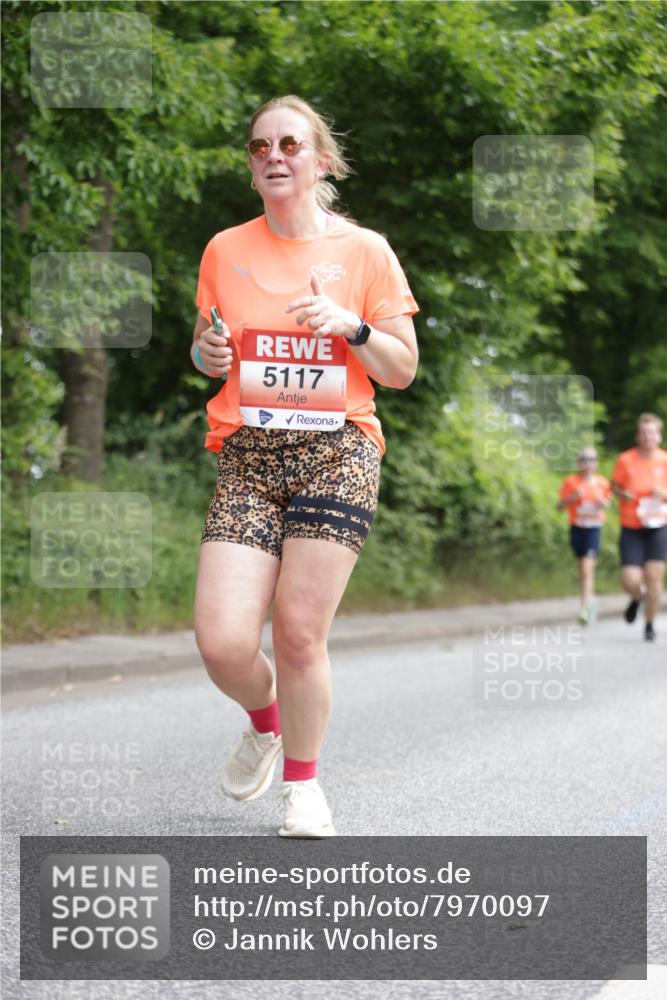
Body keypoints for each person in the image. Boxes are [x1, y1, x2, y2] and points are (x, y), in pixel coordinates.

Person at [190, 95, 419, 836]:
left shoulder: (364, 252)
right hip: (250, 456)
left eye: (290, 143)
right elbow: (203, 348)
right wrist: (208, 354)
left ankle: (303, 786)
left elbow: (402, 369)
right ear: (253, 168)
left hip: (337, 449)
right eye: (260, 148)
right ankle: (264, 724)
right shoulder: (226, 249)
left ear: (320, 159)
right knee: (223, 642)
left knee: (295, 630)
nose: (274, 156)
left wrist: (350, 327)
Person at [611, 413, 667, 641]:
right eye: (643, 433)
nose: (648, 437)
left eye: (652, 432)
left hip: (658, 526)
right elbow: (614, 487)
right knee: (630, 579)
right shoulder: (626, 460)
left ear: (659, 436)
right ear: (637, 436)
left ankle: (649, 624)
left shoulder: (665, 460)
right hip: (632, 526)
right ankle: (636, 597)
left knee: (654, 579)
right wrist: (622, 493)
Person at [557, 447, 611, 624]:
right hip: (577, 527)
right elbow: (559, 507)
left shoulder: (602, 483)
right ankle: (590, 600)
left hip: (594, 528)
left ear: (596, 463)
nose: (587, 463)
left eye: (591, 459)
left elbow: (608, 503)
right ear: (578, 463)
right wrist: (573, 497)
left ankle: (584, 608)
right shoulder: (571, 482)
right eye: (583, 460)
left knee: (588, 568)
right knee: (582, 569)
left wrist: (603, 503)